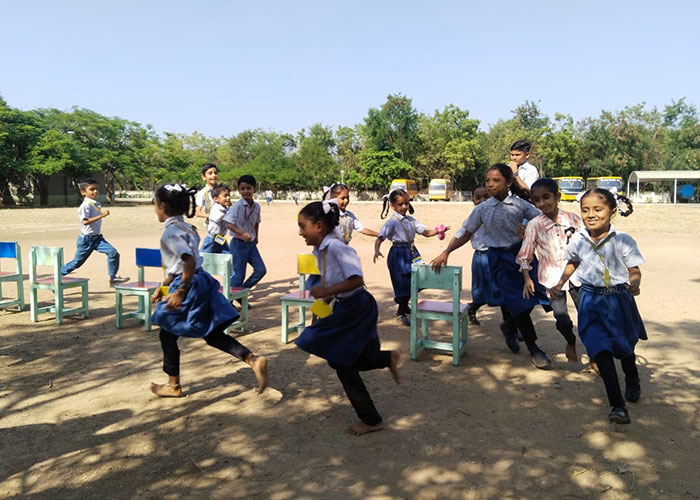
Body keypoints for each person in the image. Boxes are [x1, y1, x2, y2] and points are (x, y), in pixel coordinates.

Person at [431, 164, 554, 370]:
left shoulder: (520, 205)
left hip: (523, 256)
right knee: (519, 303)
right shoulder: (481, 210)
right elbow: (466, 233)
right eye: (488, 180)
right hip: (499, 260)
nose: (490, 184)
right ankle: (534, 348)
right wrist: (446, 252)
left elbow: (544, 220)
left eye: (496, 180)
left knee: (534, 297)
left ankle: (509, 326)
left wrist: (532, 231)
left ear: (509, 183)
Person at [149, 183, 267, 397]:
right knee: (211, 333)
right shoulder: (187, 228)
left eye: (155, 204)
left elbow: (188, 262)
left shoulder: (171, 234)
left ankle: (173, 386)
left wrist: (181, 291)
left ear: (163, 205)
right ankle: (253, 360)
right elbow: (179, 265)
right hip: (200, 281)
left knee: (167, 333)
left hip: (189, 284)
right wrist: (163, 286)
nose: (155, 208)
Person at [295, 200, 400, 436]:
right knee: (341, 359)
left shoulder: (337, 248)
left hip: (357, 307)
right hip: (345, 306)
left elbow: (356, 280)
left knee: (342, 363)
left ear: (319, 226)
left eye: (303, 226)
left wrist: (325, 293)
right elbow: (328, 287)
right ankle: (385, 359)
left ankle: (371, 419)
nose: (300, 231)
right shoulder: (320, 250)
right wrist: (318, 316)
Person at [550, 188, 645, 424]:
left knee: (624, 347)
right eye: (585, 210)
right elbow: (573, 262)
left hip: (618, 300)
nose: (590, 215)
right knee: (599, 348)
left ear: (612, 212)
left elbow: (634, 270)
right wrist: (560, 282)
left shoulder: (623, 240)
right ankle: (618, 406)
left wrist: (634, 284)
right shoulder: (578, 239)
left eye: (597, 209)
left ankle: (632, 378)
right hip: (590, 300)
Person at [516, 178, 586, 363]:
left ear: (557, 196)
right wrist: (527, 278)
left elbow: (586, 246)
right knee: (561, 319)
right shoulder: (534, 224)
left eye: (546, 197)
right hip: (551, 280)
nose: (542, 203)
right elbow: (525, 253)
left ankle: (595, 353)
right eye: (536, 200)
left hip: (578, 276)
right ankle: (570, 340)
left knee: (588, 316)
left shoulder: (573, 219)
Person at [374, 189, 448, 326]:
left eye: (406, 203)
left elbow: (425, 232)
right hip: (398, 255)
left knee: (416, 280)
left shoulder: (411, 220)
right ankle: (401, 312)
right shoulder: (392, 222)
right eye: (401, 204)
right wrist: (377, 250)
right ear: (392, 206)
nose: (404, 207)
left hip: (412, 252)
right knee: (403, 283)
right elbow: (380, 238)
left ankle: (403, 306)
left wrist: (438, 231)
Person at [464, 184, 518, 336]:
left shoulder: (500, 214)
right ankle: (472, 309)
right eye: (477, 197)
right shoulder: (473, 217)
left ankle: (510, 328)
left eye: (486, 196)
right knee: (483, 292)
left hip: (499, 257)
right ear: (473, 200)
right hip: (481, 259)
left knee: (504, 291)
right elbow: (462, 234)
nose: (482, 200)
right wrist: (446, 251)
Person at [61, 178, 129, 286]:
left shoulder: (95, 203)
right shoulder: (85, 205)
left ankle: (113, 278)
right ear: (83, 192)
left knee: (113, 253)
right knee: (77, 263)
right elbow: (85, 221)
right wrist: (102, 215)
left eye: (97, 189)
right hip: (86, 240)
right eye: (92, 189)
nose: (95, 192)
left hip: (97, 238)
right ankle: (58, 275)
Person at [223, 175, 267, 293]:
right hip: (238, 243)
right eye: (242, 189)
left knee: (260, 270)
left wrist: (256, 237)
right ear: (239, 190)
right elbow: (228, 223)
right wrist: (242, 233)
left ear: (254, 190)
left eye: (248, 188)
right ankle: (228, 303)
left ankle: (240, 293)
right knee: (238, 276)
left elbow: (256, 222)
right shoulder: (237, 207)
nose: (245, 191)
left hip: (251, 243)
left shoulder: (256, 206)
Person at [200, 183, 231, 254]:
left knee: (228, 255)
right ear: (216, 199)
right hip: (212, 239)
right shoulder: (216, 208)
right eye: (225, 196)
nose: (228, 198)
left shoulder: (226, 208)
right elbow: (217, 218)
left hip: (220, 239)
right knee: (203, 257)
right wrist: (229, 214)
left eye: (229, 195)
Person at [195, 163, 219, 228]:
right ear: (203, 177)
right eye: (210, 173)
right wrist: (212, 216)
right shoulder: (202, 193)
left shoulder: (223, 190)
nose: (213, 175)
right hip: (211, 225)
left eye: (215, 173)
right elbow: (197, 213)